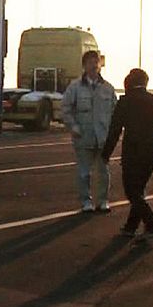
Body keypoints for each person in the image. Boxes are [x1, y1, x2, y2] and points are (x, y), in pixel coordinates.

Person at [102, 68, 153, 240]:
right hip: (150, 154)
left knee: (132, 192)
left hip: (132, 154)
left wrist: (106, 154)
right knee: (138, 190)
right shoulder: (152, 100)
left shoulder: (125, 102)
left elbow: (114, 130)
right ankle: (131, 227)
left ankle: (152, 225)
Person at [61, 50, 117, 212]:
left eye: (96, 62)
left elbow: (115, 111)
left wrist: (112, 133)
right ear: (84, 65)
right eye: (90, 62)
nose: (94, 65)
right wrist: (73, 127)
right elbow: (65, 108)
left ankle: (103, 200)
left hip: (103, 137)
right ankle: (86, 201)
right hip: (83, 136)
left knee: (104, 172)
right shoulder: (75, 87)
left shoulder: (107, 88)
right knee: (84, 172)